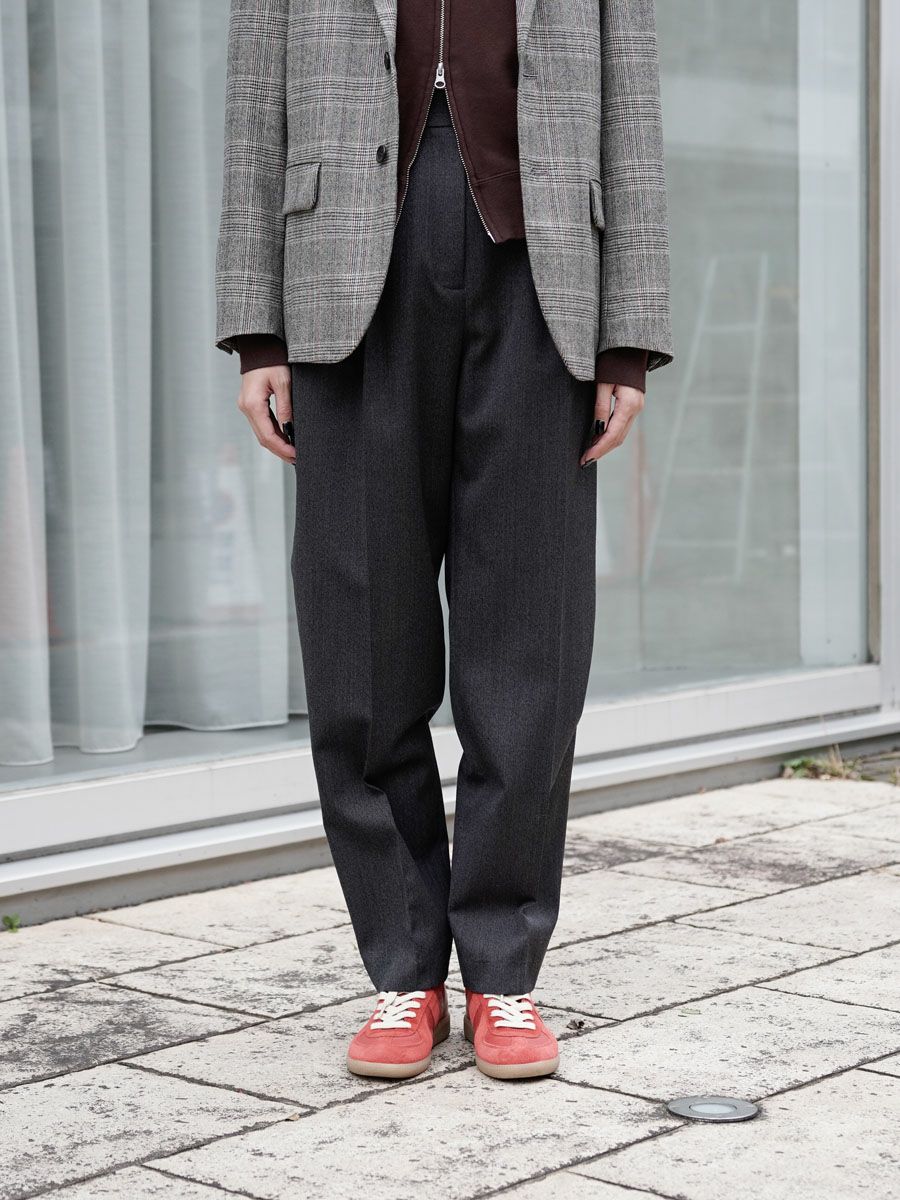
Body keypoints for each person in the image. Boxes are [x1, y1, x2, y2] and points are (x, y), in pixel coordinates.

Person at [215, 0, 672, 1082]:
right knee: (361, 637)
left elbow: (632, 103)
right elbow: (255, 100)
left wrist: (630, 335)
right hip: (346, 267)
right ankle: (404, 967)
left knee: (530, 643)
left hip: (545, 270)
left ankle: (504, 970)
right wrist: (257, 327)